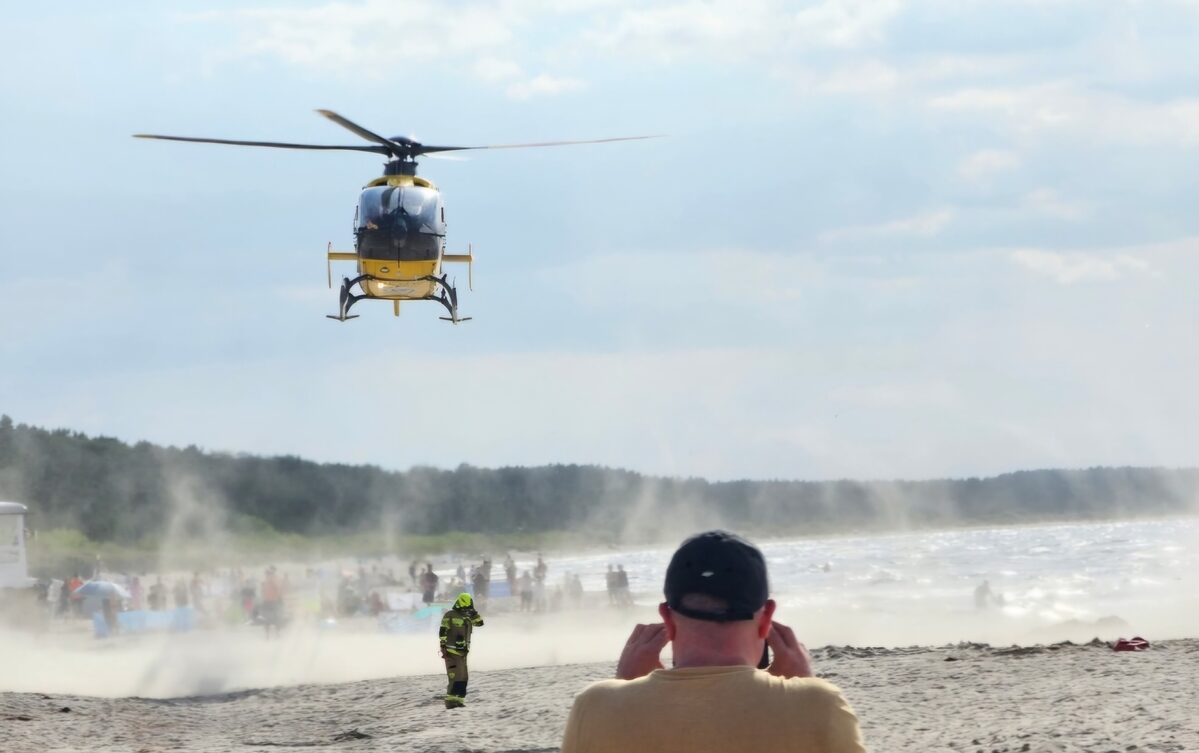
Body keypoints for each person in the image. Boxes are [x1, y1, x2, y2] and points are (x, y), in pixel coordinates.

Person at [559, 530, 866, 753]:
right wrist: (799, 690)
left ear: (667, 618)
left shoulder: (595, 706)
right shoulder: (819, 705)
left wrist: (625, 691)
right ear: (767, 619)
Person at [439, 592, 485, 709]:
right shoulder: (450, 615)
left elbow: (480, 623)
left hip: (463, 651)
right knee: (456, 676)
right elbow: (443, 630)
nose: (466, 609)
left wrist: (474, 613)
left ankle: (459, 700)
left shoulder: (468, 617)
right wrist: (443, 645)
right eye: (464, 607)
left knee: (464, 677)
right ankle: (450, 701)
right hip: (451, 651)